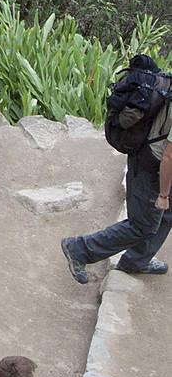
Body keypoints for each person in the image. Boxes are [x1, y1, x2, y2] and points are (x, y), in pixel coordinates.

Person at [62, 70, 172, 282]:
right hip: (150, 163)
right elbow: (168, 157)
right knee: (142, 225)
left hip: (155, 156)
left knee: (167, 214)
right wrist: (163, 195)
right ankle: (79, 249)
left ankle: (136, 261)